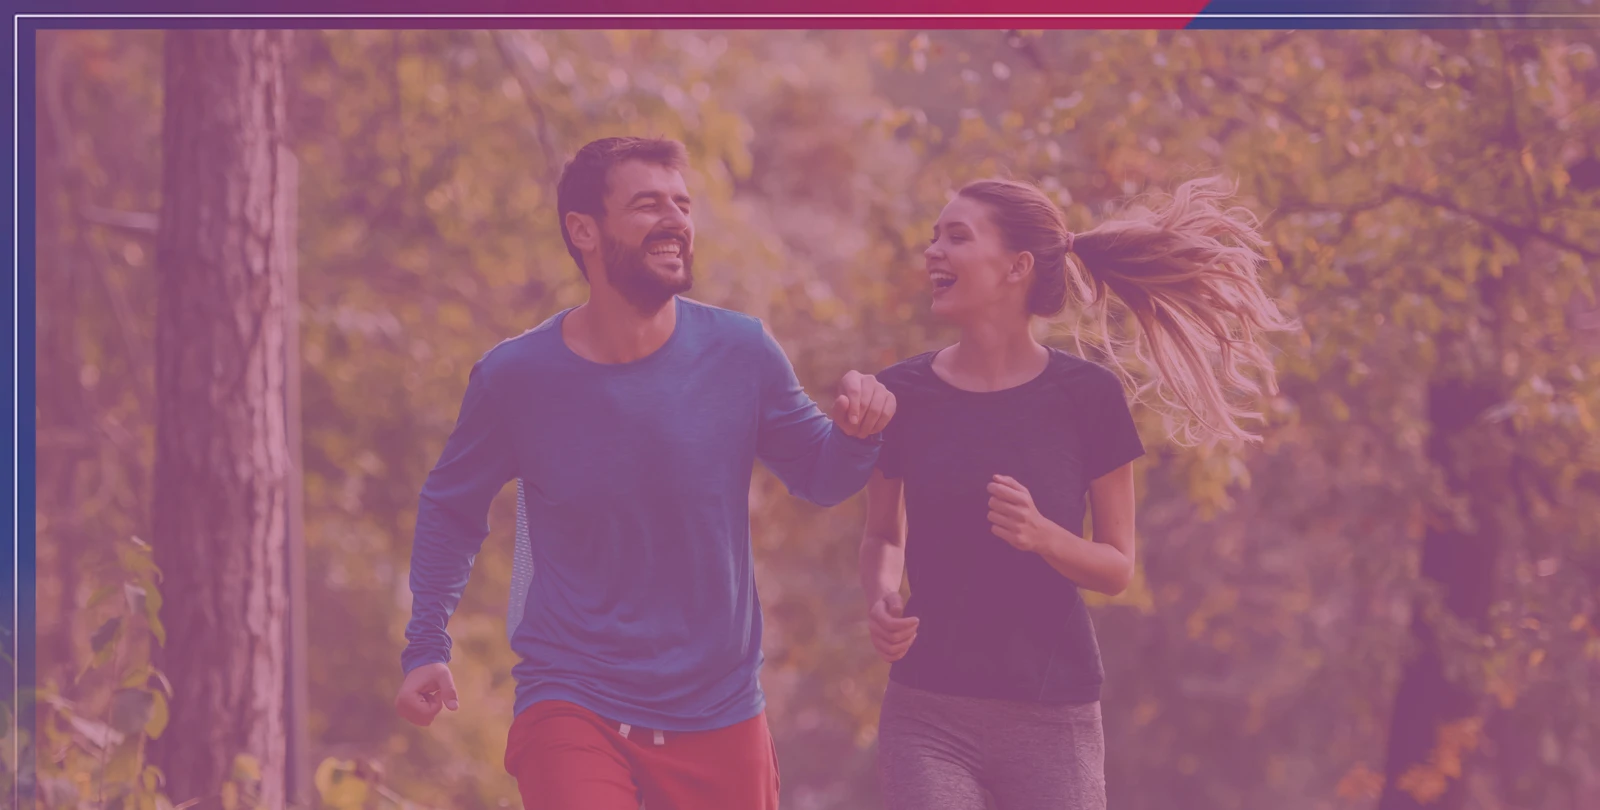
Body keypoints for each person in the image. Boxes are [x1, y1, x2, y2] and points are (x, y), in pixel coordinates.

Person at [395, 136, 896, 810]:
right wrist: (427, 642)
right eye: (647, 204)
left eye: (682, 204)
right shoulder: (514, 378)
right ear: (584, 231)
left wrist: (859, 434)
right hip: (572, 698)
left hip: (719, 707)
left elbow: (821, 475)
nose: (676, 220)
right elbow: (451, 508)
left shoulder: (741, 352)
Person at [860, 175, 1295, 810]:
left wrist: (1043, 536)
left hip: (1051, 715)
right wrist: (880, 595)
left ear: (1017, 267)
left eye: (956, 237)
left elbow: (1117, 566)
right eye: (933, 237)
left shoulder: (1086, 397)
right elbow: (882, 533)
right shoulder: (903, 394)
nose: (933, 252)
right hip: (928, 710)